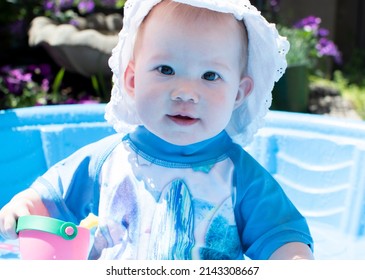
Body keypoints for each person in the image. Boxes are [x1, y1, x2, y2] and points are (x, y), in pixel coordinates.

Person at [0, 0, 314, 260]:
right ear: (133, 80)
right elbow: (52, 195)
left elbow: (281, 236)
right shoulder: (108, 160)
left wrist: (294, 260)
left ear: (238, 93)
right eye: (166, 69)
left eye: (210, 75)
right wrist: (25, 206)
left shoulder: (240, 177)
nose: (185, 92)